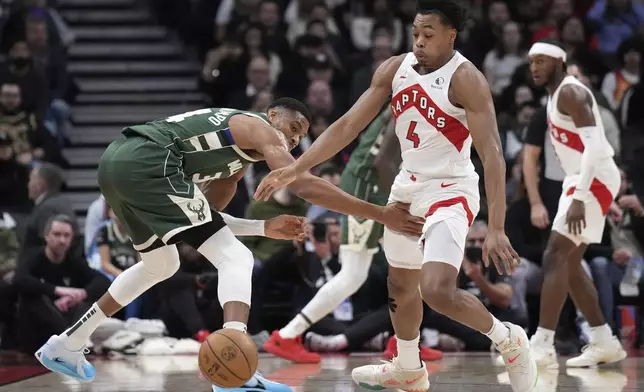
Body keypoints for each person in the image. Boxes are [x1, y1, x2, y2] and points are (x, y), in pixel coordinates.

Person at [34, 99, 424, 392]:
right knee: (236, 257)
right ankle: (236, 369)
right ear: (271, 116)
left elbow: (203, 220)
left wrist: (262, 226)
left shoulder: (230, 170)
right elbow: (302, 183)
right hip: (147, 160)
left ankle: (67, 343)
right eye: (292, 127)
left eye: (301, 136)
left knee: (160, 264)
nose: (293, 138)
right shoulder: (257, 127)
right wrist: (380, 213)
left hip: (118, 164)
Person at [254, 1, 537, 391]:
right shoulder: (394, 68)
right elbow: (348, 125)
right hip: (408, 186)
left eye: (428, 35)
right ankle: (409, 368)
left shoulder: (466, 78)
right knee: (400, 285)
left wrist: (497, 227)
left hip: (451, 190)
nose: (419, 42)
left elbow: (491, 154)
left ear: (451, 35)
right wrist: (297, 166)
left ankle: (509, 339)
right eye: (416, 34)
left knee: (436, 289)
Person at [264, 108, 441, 363]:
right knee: (353, 274)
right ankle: (287, 335)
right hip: (368, 187)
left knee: (417, 265)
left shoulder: (420, 103)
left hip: (382, 186)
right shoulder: (408, 104)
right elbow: (383, 162)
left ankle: (404, 342)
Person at [527, 38, 626, 368]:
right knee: (567, 263)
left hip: (591, 178)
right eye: (531, 62)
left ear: (558, 62)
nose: (534, 68)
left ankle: (542, 345)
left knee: (554, 254)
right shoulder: (555, 96)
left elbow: (596, 148)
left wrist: (584, 198)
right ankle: (604, 341)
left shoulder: (571, 91)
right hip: (586, 179)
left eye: (541, 61)